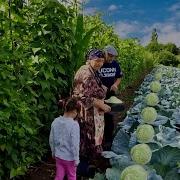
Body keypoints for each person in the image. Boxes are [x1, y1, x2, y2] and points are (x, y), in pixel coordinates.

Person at [72, 49, 111, 166]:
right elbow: (83, 96)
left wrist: (102, 88)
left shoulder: (91, 70)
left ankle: (88, 160)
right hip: (87, 110)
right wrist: (101, 105)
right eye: (97, 60)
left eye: (102, 61)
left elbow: (92, 87)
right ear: (89, 60)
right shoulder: (87, 73)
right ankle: (87, 163)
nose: (100, 63)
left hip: (91, 108)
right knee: (88, 134)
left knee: (88, 134)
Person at [98, 45, 123, 149]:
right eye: (110, 56)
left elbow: (119, 77)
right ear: (105, 53)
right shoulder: (99, 63)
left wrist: (115, 84)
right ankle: (98, 140)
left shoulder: (115, 64)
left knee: (109, 116)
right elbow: (93, 77)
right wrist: (100, 85)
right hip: (99, 95)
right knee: (99, 117)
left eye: (113, 56)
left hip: (110, 95)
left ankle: (108, 140)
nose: (111, 58)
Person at [49, 98, 80, 180]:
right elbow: (75, 144)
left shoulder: (55, 121)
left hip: (58, 156)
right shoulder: (74, 125)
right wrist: (76, 159)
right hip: (70, 158)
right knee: (72, 176)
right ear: (74, 111)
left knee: (59, 176)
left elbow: (51, 140)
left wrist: (53, 152)